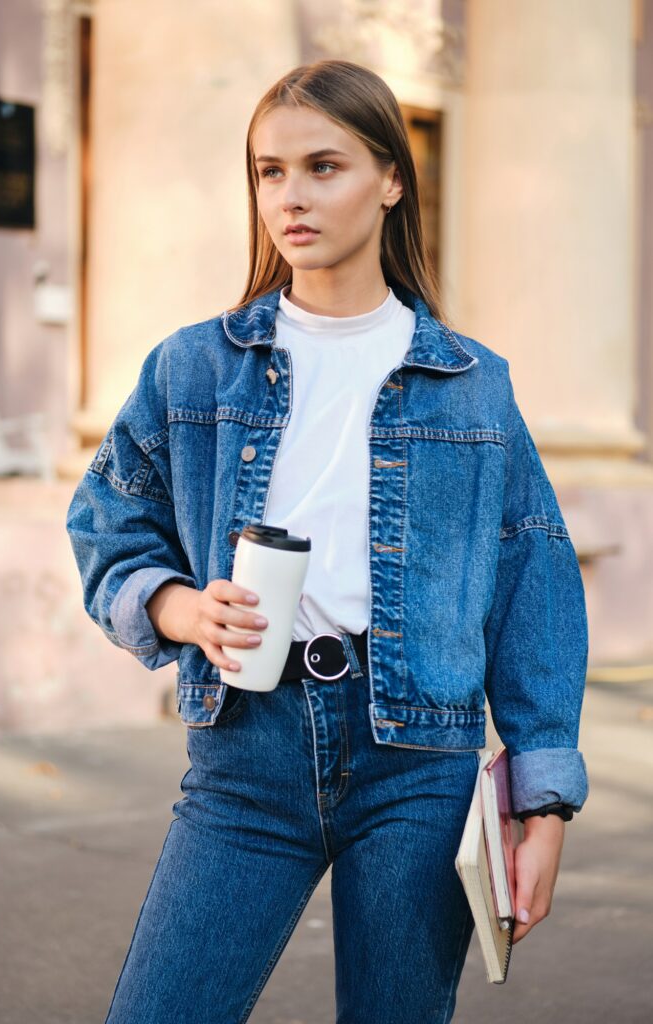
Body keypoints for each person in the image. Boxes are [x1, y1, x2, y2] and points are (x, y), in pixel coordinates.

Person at [66, 59, 590, 1024]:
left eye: (323, 166)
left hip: (419, 766)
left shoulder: (474, 387)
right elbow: (107, 517)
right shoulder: (195, 367)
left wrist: (542, 796)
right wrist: (177, 606)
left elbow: (532, 582)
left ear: (393, 178)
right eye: (269, 172)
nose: (290, 197)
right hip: (245, 756)